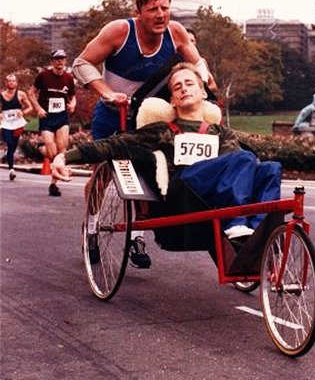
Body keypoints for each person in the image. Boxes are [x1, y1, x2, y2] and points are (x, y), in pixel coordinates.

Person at [52, 62, 281, 264]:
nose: (183, 88)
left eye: (189, 83)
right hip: (183, 193)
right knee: (243, 158)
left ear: (203, 93)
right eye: (177, 86)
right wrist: (65, 156)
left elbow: (237, 166)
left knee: (270, 169)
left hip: (214, 196)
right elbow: (113, 145)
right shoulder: (162, 130)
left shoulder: (221, 133)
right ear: (172, 100)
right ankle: (236, 225)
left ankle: (261, 233)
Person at [72, 0, 212, 267]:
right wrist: (107, 92)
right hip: (114, 112)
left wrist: (206, 81)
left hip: (148, 115)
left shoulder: (176, 33)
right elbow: (81, 64)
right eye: (153, 9)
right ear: (139, 13)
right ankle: (91, 227)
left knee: (148, 172)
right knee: (105, 174)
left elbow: (199, 64)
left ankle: (138, 235)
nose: (161, 15)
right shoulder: (119, 31)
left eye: (165, 8)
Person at [29, 49, 76, 196]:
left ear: (65, 61)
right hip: (47, 117)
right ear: (52, 61)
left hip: (62, 117)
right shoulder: (43, 76)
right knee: (51, 152)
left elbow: (73, 96)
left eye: (62, 58)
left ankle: (53, 185)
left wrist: (73, 104)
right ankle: (41, 147)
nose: (59, 61)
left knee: (61, 152)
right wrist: (38, 109)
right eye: (56, 59)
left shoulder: (68, 78)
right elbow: (31, 93)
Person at [0, 73, 33, 180]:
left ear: (16, 83)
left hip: (18, 123)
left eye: (13, 81)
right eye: (9, 81)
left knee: (13, 145)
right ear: (5, 83)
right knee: (9, 142)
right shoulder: (1, 94)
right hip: (6, 123)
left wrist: (23, 113)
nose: (11, 82)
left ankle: (11, 167)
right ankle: (11, 169)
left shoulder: (21, 94)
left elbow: (30, 107)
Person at [186, 28, 218, 93]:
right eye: (187, 40)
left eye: (192, 40)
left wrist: (199, 91)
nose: (190, 43)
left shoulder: (201, 62)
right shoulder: (174, 62)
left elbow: (214, 86)